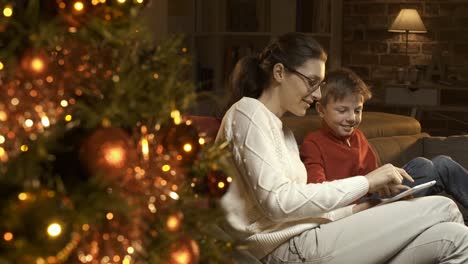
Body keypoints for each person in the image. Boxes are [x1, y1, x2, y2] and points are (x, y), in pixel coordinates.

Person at [215, 32, 468, 264]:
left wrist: (358, 209)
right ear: (279, 72)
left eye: (320, 85)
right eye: (311, 82)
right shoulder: (247, 113)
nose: (316, 95)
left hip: (314, 237)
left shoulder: (286, 134)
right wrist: (367, 182)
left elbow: (302, 207)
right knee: (442, 207)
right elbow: (277, 202)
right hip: (288, 251)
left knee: (455, 237)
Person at [300, 68, 468, 207]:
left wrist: (385, 184)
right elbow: (318, 193)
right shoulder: (313, 143)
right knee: (434, 166)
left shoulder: (358, 137)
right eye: (342, 110)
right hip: (356, 209)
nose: (352, 117)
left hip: (378, 199)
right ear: (321, 110)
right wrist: (367, 187)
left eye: (357, 110)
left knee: (431, 163)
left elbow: (376, 176)